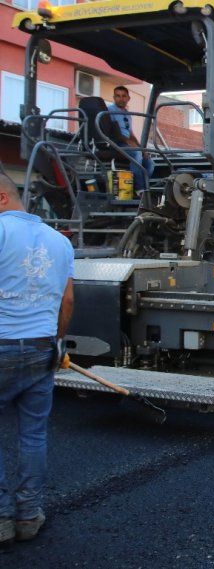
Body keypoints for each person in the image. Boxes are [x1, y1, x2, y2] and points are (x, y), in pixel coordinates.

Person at [0, 172, 74, 543]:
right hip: (42, 347)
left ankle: (0, 519)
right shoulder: (59, 242)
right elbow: (68, 301)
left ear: (1, 198)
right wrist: (58, 343)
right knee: (32, 436)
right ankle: (29, 516)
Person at [108, 85, 155, 194]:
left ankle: (143, 188)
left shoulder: (127, 114)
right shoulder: (109, 110)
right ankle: (139, 189)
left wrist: (142, 148)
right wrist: (129, 143)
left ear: (128, 98)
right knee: (136, 154)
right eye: (118, 96)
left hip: (126, 144)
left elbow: (131, 134)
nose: (121, 98)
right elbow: (113, 131)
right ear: (114, 97)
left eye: (124, 96)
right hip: (116, 143)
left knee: (150, 162)